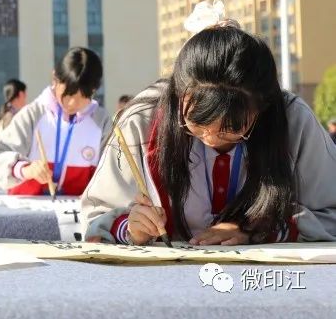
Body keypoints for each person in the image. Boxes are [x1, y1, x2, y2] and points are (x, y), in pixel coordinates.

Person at [83, 23, 336, 245]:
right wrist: (130, 228)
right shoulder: (142, 121)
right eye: (197, 124)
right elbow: (95, 216)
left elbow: (331, 214)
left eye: (232, 129)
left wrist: (257, 229)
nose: (212, 139)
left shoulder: (293, 121)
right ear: (178, 95)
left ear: (262, 107)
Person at [0, 48, 108, 196]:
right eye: (67, 94)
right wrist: (24, 169)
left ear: (94, 90)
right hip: (27, 210)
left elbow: (112, 174)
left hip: (78, 212)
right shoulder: (33, 114)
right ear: (55, 79)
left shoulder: (102, 122)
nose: (72, 103)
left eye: (83, 97)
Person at [0, 79, 28, 156]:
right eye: (25, 94)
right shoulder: (11, 116)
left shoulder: (6, 113)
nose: (26, 97)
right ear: (21, 94)